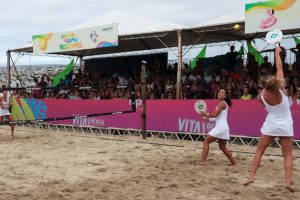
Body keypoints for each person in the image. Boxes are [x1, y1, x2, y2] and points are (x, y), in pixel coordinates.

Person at [244, 47, 295, 193]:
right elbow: (279, 66)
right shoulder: (282, 90)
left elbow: (264, 91)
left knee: (259, 152)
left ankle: (251, 176)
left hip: (271, 125)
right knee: (288, 155)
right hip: (285, 124)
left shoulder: (261, 97)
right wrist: (276, 53)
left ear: (264, 86)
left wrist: (265, 89)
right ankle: (287, 182)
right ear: (275, 84)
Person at [197, 89, 236, 165]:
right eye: (219, 92)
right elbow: (216, 118)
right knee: (223, 147)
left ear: (225, 96)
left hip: (221, 127)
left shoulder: (222, 104)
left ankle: (203, 160)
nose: (219, 93)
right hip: (224, 128)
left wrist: (206, 114)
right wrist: (207, 117)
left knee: (206, 141)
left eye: (222, 92)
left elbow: (215, 114)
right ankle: (233, 162)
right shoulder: (222, 104)